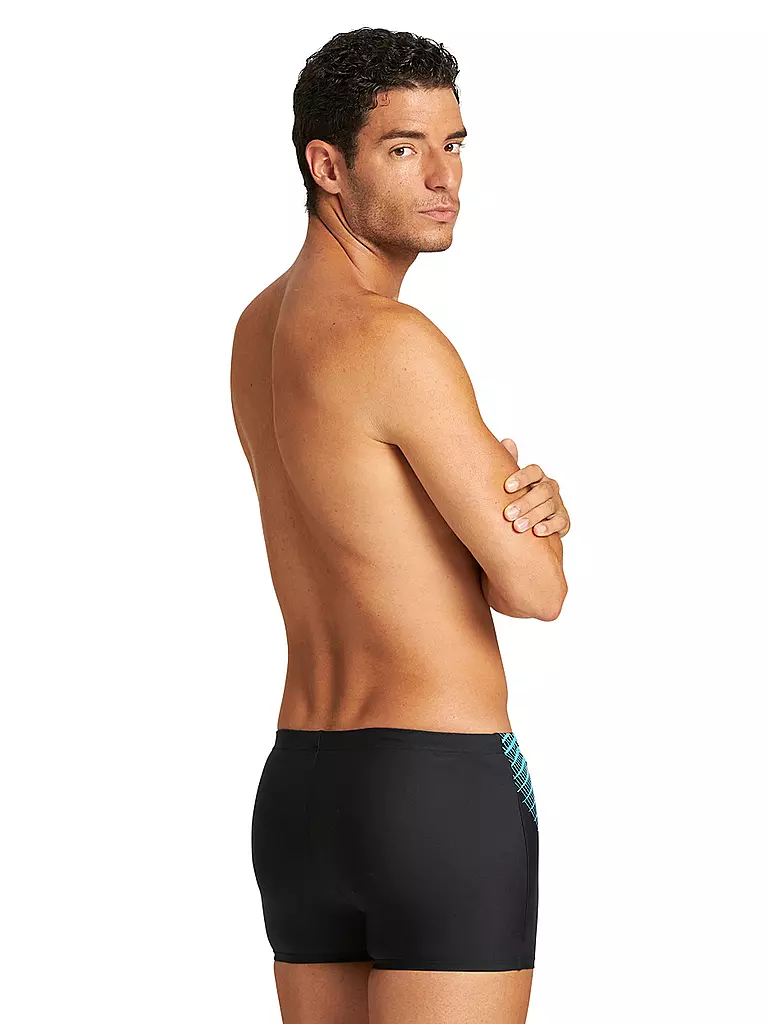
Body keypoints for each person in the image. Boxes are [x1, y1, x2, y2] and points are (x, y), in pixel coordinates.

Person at [230, 26, 570, 1024]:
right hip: (436, 787)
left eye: (453, 145)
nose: (443, 177)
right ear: (327, 165)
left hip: (301, 791)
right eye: (403, 147)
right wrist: (536, 516)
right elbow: (536, 590)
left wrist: (489, 505)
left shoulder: (258, 329)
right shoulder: (396, 340)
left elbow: (363, 527)